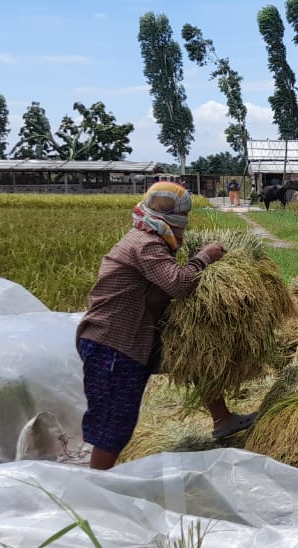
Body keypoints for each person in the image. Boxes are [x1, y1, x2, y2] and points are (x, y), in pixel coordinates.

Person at [75, 181, 257, 470]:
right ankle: (98, 487)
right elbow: (179, 283)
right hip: (113, 344)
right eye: (183, 224)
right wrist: (205, 257)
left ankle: (222, 419)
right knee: (114, 421)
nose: (183, 231)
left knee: (195, 353)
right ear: (173, 220)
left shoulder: (152, 238)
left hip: (137, 337)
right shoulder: (144, 243)